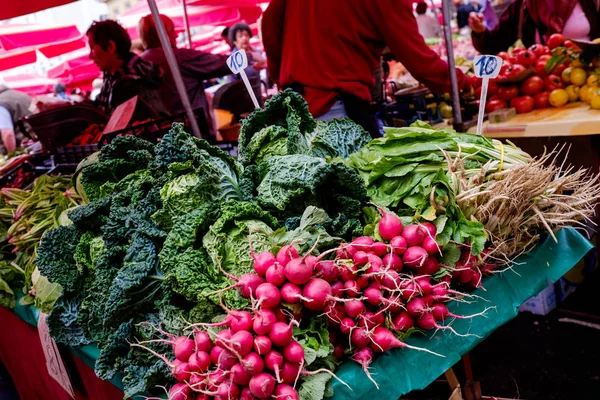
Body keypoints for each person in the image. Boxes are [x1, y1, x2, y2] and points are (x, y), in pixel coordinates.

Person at [261, 0, 469, 137]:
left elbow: (270, 22)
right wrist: (463, 83)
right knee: (354, 197)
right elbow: (417, 58)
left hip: (295, 108)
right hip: (338, 110)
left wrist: (283, 76)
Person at [138, 14, 240, 137]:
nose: (176, 35)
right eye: (172, 31)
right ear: (160, 34)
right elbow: (222, 64)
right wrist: (248, 57)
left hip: (162, 136)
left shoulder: (141, 63)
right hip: (194, 131)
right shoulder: (176, 57)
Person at [86, 20, 166, 116]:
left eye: (92, 48)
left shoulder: (130, 83)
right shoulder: (112, 77)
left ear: (110, 47)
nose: (90, 56)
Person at [468, 0, 599, 55]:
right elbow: (493, 45)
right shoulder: (522, 6)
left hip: (587, 76)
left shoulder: (587, 2)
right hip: (545, 86)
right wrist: (480, 32)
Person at [0, 79, 33, 153]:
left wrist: (12, 155)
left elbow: (8, 134)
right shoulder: (24, 95)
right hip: (38, 144)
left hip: (24, 151)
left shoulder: (1, 102)